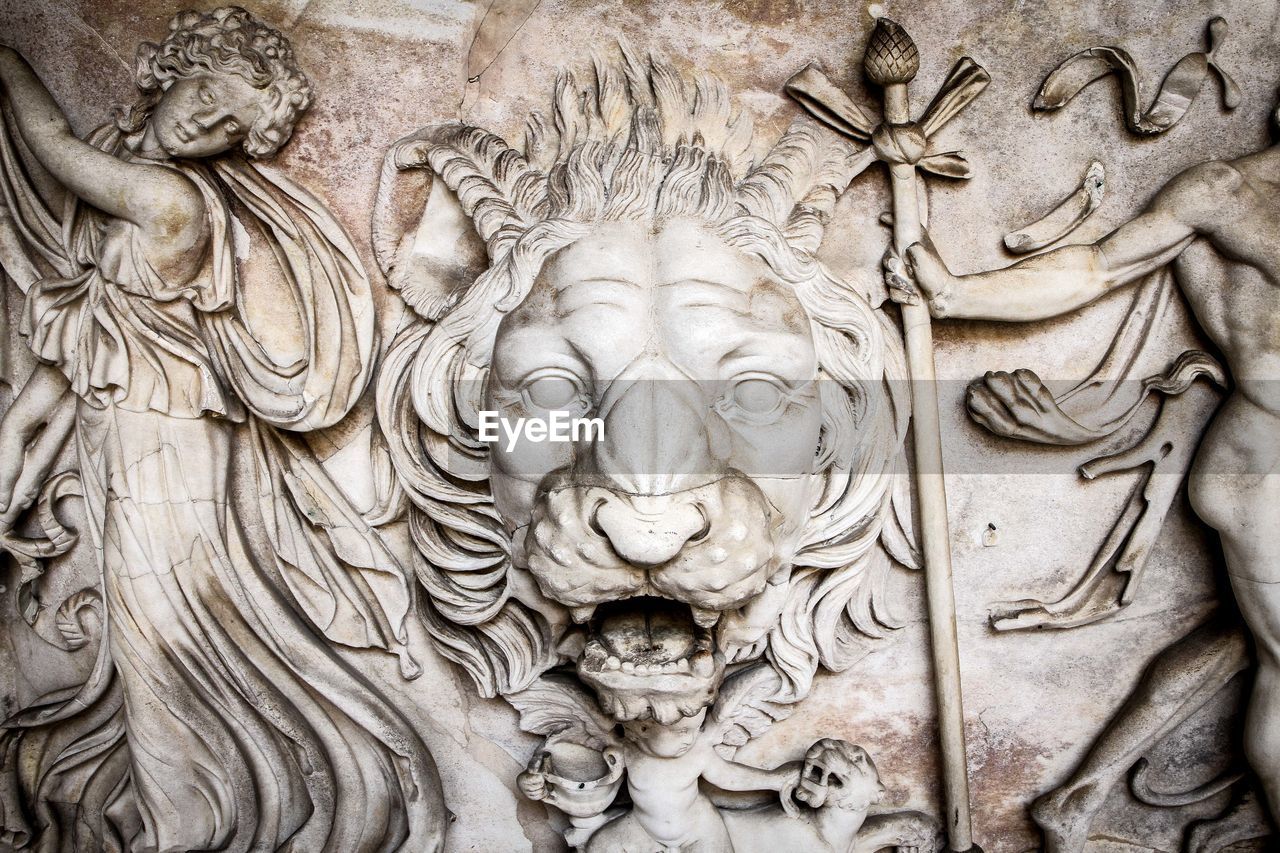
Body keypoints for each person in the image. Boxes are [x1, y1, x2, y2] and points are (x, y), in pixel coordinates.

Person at [0, 7, 445, 851]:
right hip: (124, 440)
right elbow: (92, 342)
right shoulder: (130, 188)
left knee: (161, 640)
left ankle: (185, 827)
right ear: (172, 68)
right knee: (156, 644)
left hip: (166, 452)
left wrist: (9, 61)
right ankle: (205, 806)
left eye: (231, 125)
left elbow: (50, 144)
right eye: (208, 92)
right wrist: (19, 433)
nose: (206, 121)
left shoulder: (168, 201)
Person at [899, 138, 1280, 840]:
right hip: (1267, 463)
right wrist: (958, 292)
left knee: (1255, 650)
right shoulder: (1225, 194)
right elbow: (1096, 269)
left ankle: (1082, 790)